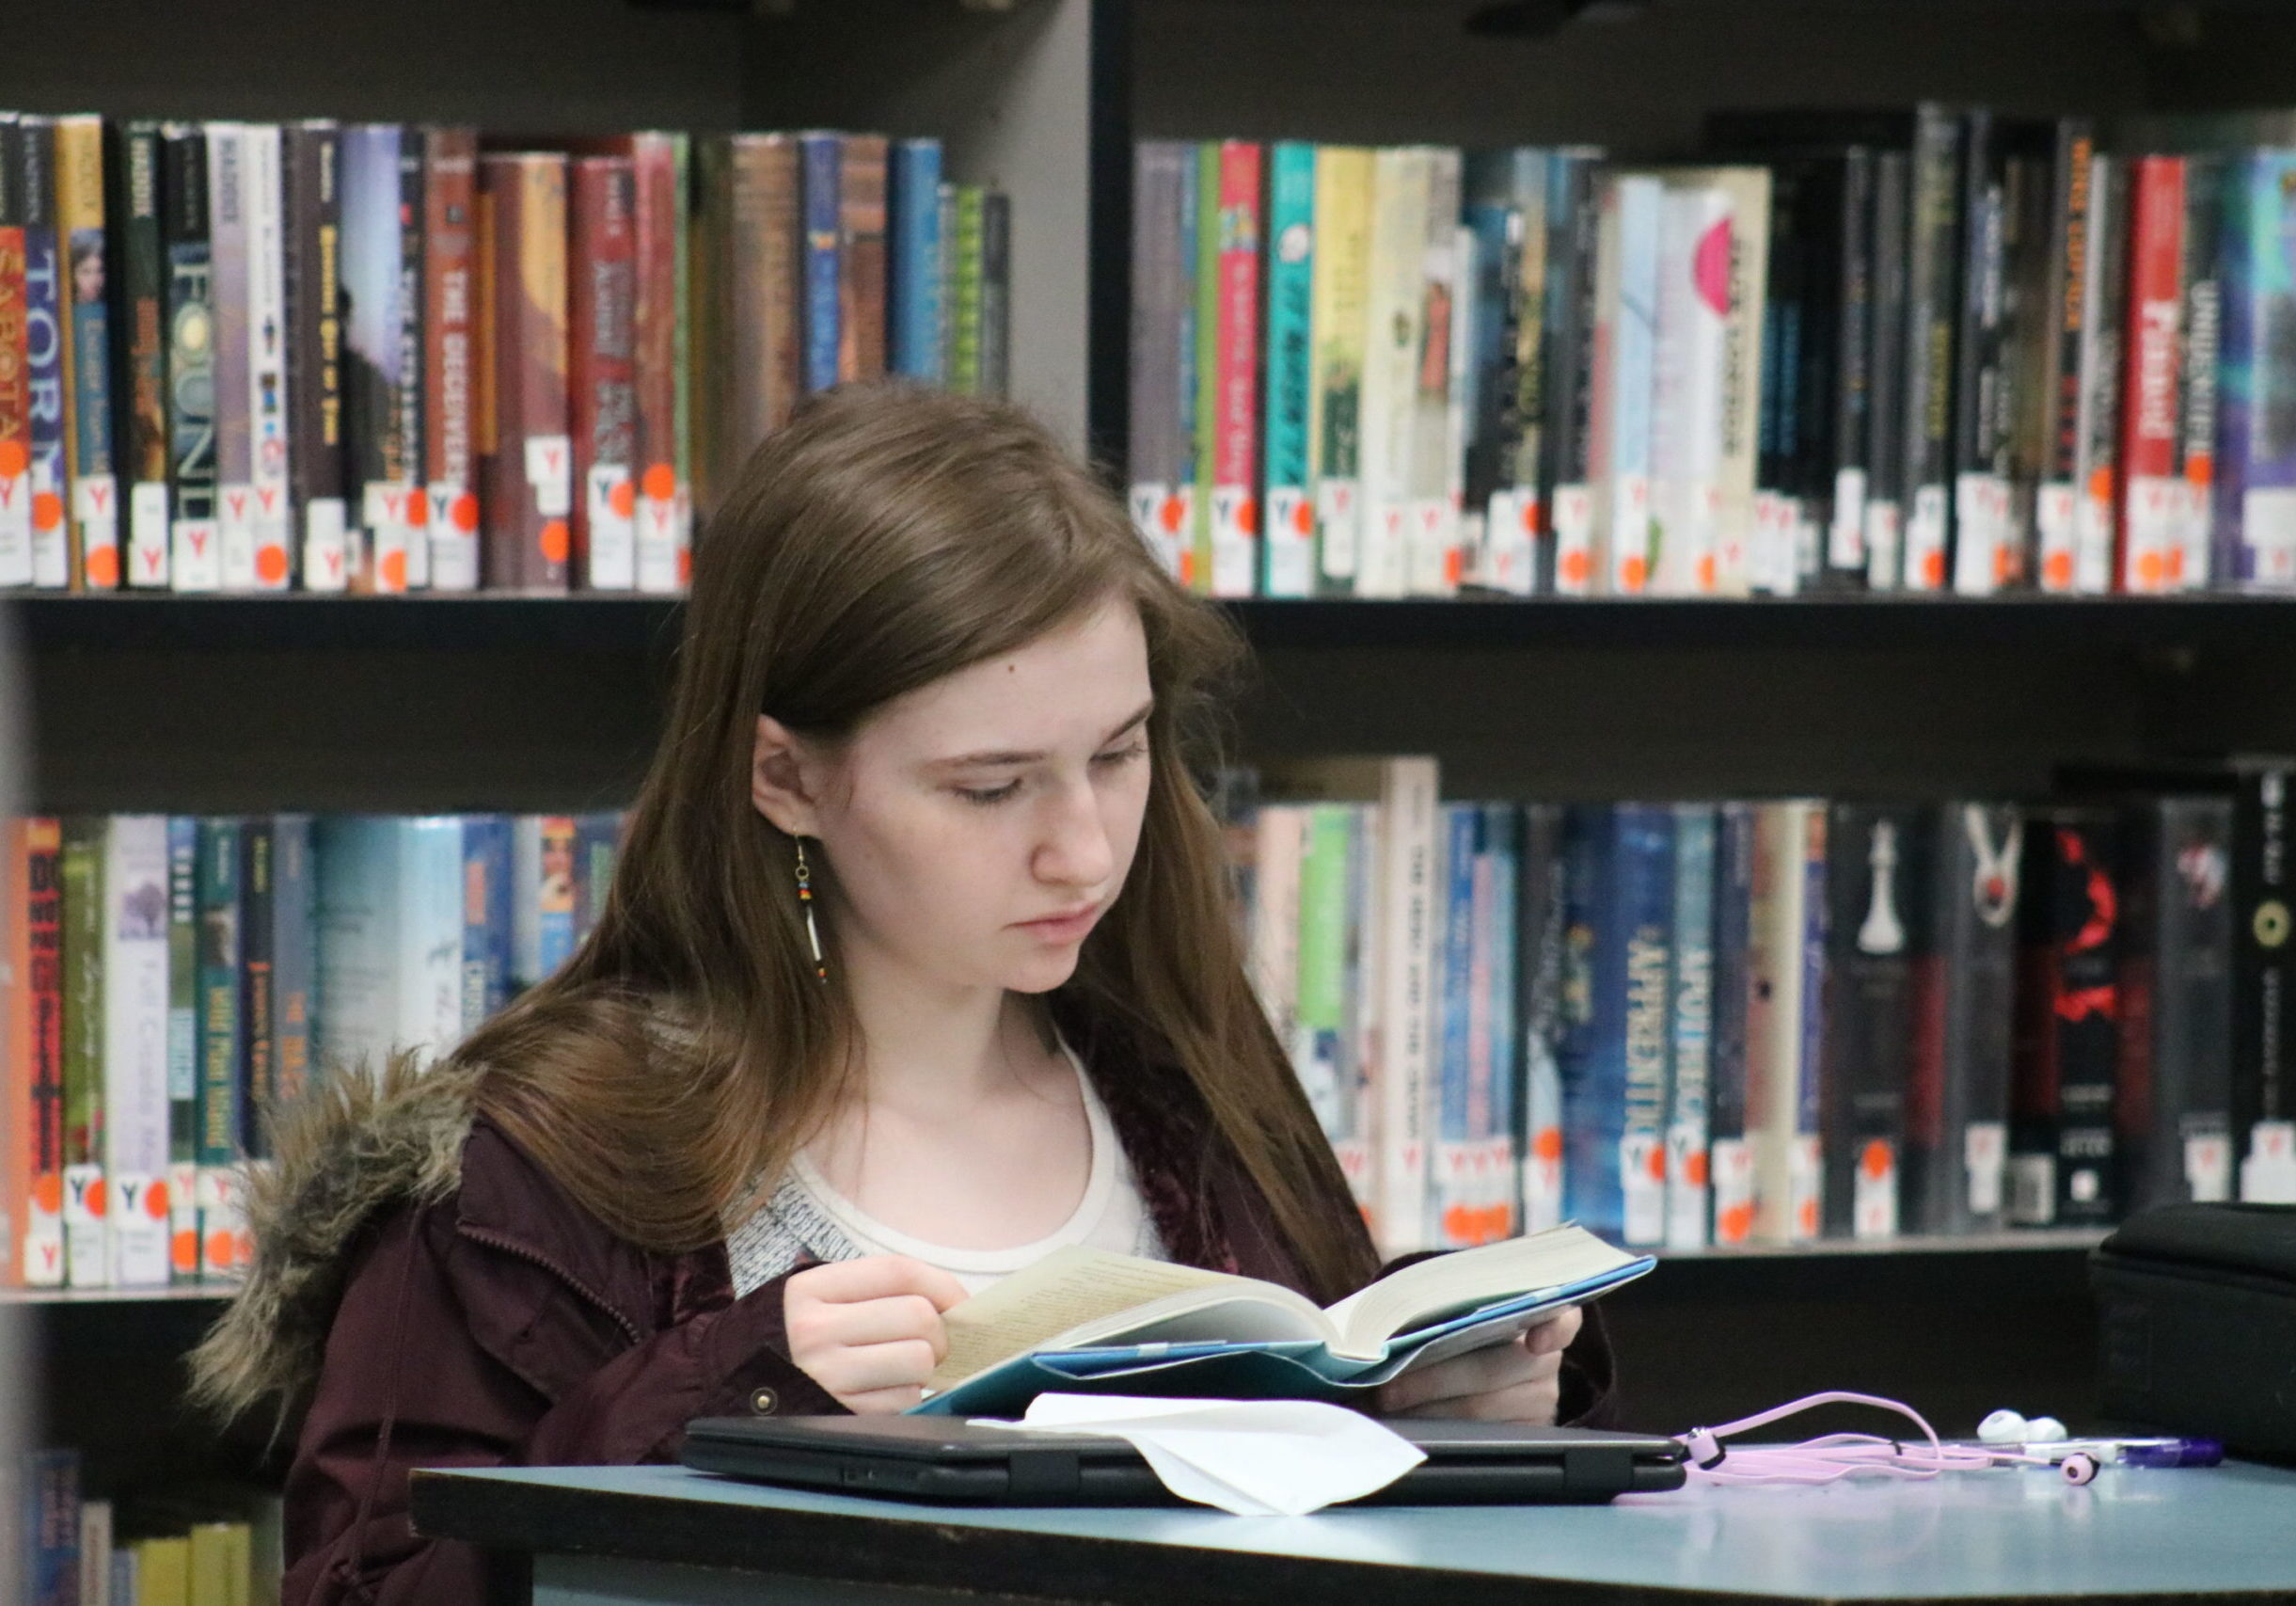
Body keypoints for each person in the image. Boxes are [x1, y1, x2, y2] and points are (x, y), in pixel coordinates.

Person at [191, 385, 1613, 1606]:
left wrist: (1430, 1411)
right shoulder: (532, 1170)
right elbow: (363, 1588)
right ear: (785, 779)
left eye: (1117, 754)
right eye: (988, 786)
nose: (1084, 847)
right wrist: (712, 1399)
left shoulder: (1179, 1084)